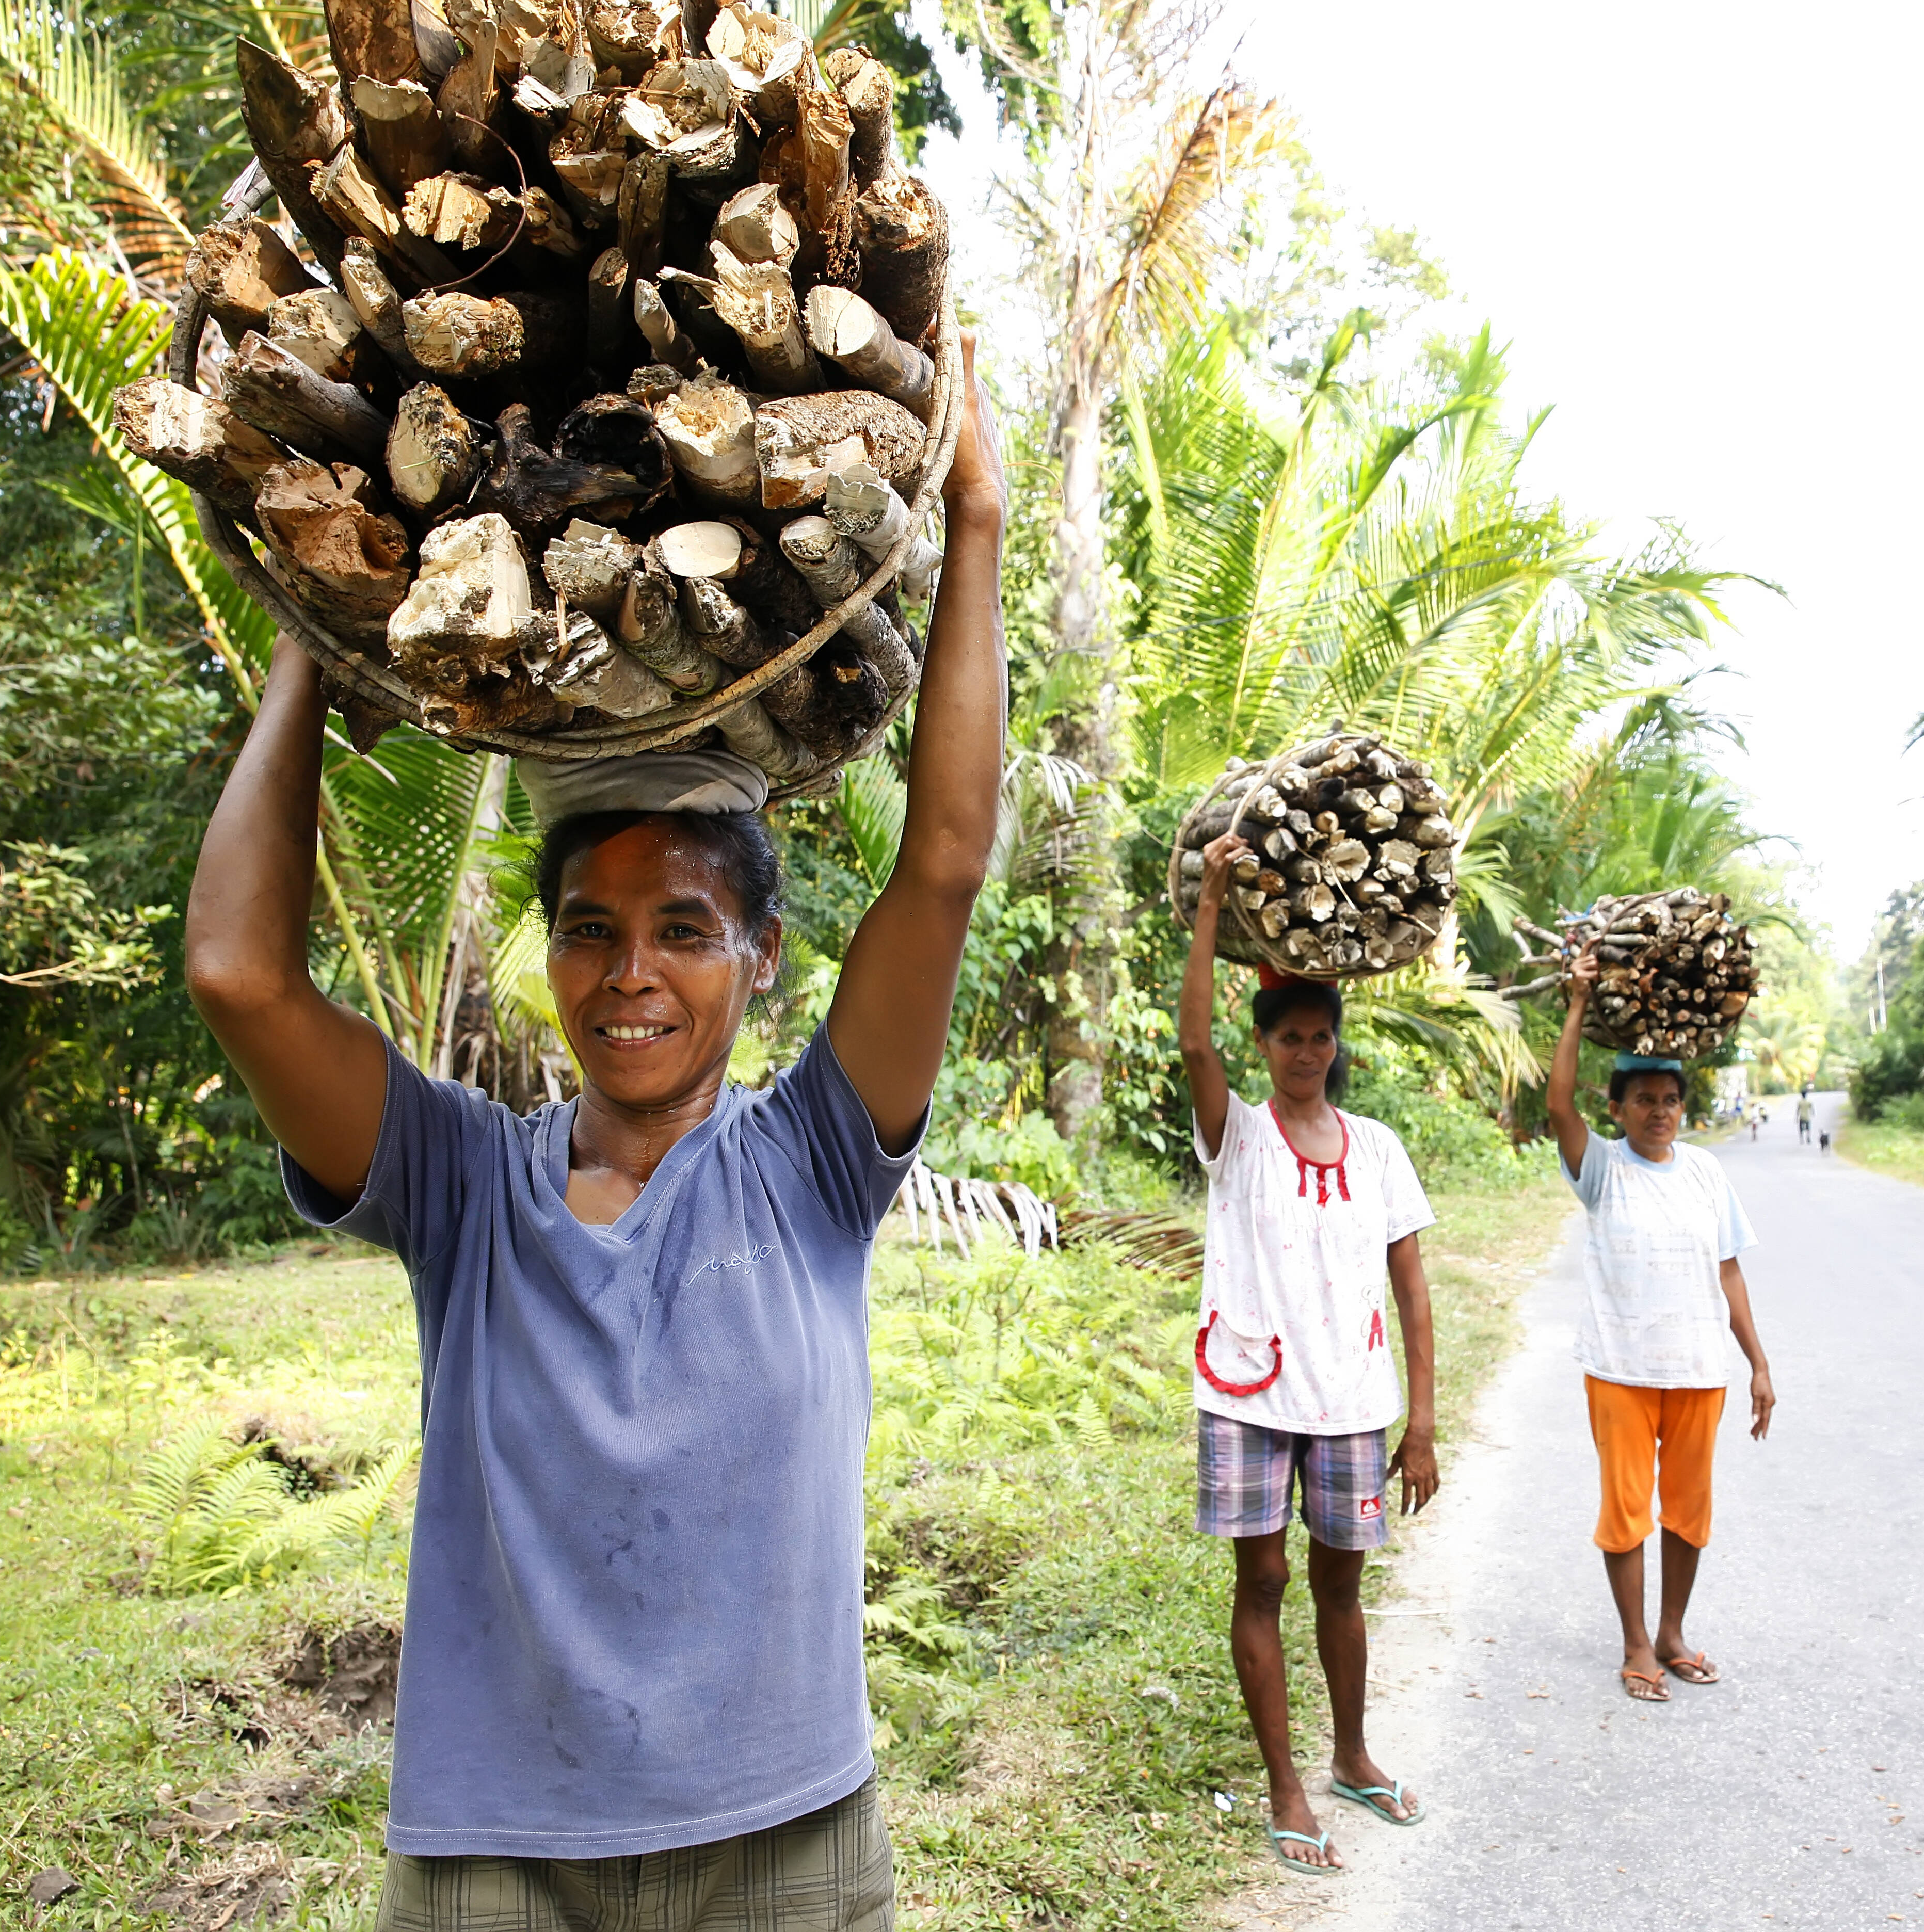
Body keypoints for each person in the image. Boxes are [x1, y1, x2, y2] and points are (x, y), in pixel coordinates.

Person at [180, 346, 1008, 1930]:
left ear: (763, 956)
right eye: (588, 928)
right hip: (495, 1850)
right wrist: (320, 631)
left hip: (784, 1839)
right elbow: (236, 971)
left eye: (684, 928)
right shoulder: (460, 1186)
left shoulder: (811, 1165)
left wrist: (970, 517)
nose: (629, 975)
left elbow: (947, 857)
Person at [1177, 830, 1440, 1876]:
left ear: (1337, 1045)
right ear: (1264, 1046)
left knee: (1342, 1585)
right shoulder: (1234, 1133)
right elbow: (1193, 1044)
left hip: (1352, 1401)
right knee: (1264, 1579)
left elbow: (1412, 1291)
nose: (1305, 1053)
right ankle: (1287, 1785)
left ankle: (1353, 1758)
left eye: (1319, 1038)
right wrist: (1209, 902)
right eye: (1287, 1037)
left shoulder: (1377, 1149)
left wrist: (1421, 1420)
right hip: (1246, 1393)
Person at [1547, 942, 1775, 1703]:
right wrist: (1578, 1002)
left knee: (1689, 1513)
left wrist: (1760, 1364)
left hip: (1699, 1371)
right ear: (1617, 1109)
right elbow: (1557, 1105)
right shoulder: (1603, 1169)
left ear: (1684, 1109)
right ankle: (1636, 1642)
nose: (1658, 1113)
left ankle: (1673, 1630)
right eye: (1642, 1100)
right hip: (1619, 1368)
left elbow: (1729, 1270)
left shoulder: (1707, 1172)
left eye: (1669, 1101)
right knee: (1626, 1513)